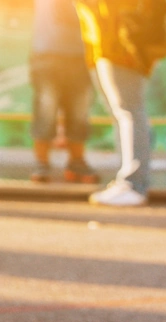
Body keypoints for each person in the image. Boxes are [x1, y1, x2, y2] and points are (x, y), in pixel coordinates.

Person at [73, 0, 166, 207]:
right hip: (105, 43)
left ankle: (134, 184)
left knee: (129, 113)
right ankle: (129, 181)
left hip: (120, 45)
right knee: (125, 114)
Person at [29, 0, 97, 185]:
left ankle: (76, 162)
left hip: (81, 54)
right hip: (46, 53)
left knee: (79, 112)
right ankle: (41, 163)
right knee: (46, 109)